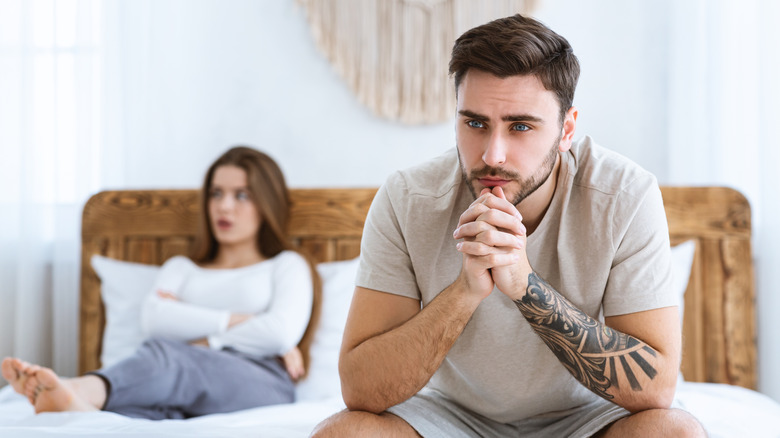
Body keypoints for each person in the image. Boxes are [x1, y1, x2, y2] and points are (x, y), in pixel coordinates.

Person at [313, 14, 705, 438]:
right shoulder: (408, 199)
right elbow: (360, 389)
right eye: (475, 123)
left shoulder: (624, 196)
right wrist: (465, 292)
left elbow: (657, 388)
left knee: (672, 432)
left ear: (566, 129)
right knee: (343, 432)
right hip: (449, 418)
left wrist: (524, 285)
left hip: (588, 418)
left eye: (520, 126)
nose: (493, 154)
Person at [2, 146, 322, 420]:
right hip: (176, 380)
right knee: (152, 408)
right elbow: (155, 319)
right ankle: (83, 410)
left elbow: (279, 332)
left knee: (166, 357)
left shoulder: (287, 265)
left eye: (242, 195)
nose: (224, 206)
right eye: (216, 193)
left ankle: (77, 388)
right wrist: (244, 321)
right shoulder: (181, 268)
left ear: (267, 203)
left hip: (261, 380)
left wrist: (204, 341)